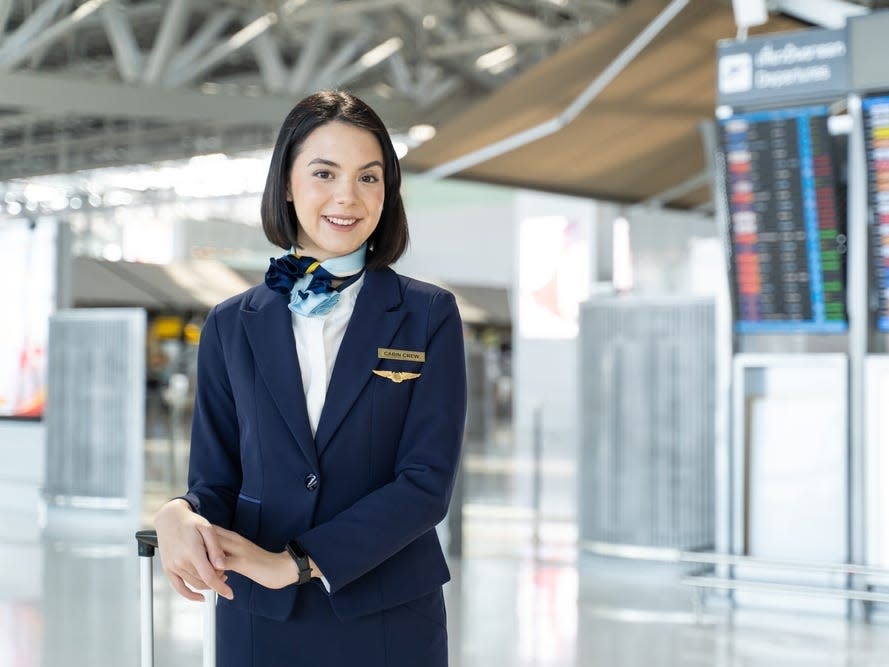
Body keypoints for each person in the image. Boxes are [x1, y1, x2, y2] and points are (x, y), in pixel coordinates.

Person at [153, 90, 467, 667]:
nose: (347, 196)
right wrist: (178, 510)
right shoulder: (229, 325)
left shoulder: (427, 315)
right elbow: (218, 481)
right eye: (324, 173)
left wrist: (297, 562)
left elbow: (425, 483)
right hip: (258, 620)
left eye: (369, 178)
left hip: (388, 613)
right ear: (288, 184)